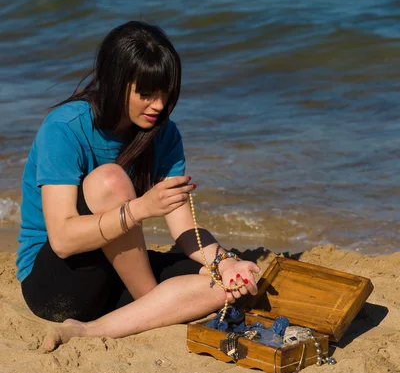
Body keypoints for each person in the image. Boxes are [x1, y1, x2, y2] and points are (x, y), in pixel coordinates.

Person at [16, 20, 260, 350]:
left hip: (120, 273)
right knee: (110, 180)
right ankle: (152, 302)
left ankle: (90, 330)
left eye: (165, 94)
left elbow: (184, 229)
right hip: (57, 283)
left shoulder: (165, 134)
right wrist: (140, 209)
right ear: (116, 83)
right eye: (146, 94)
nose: (158, 106)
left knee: (225, 285)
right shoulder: (65, 128)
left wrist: (225, 262)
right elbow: (62, 239)